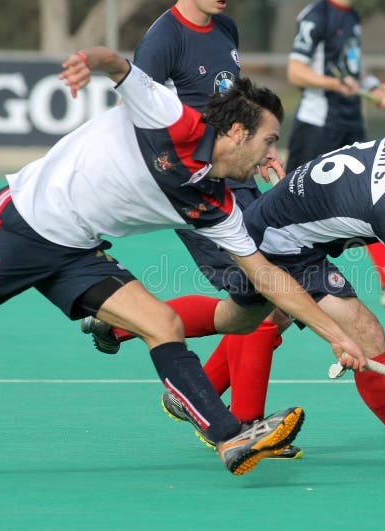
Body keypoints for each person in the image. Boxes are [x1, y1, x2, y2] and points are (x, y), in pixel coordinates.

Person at [0, 46, 369, 476]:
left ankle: (230, 438)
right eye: (268, 141)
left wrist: (337, 337)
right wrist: (87, 61)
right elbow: (118, 65)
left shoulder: (215, 203)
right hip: (23, 222)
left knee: (162, 323)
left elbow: (267, 276)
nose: (272, 155)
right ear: (239, 133)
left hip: (76, 249)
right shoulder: (171, 117)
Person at [89, 116, 385, 481]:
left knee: (241, 319)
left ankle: (127, 328)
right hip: (272, 246)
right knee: (353, 331)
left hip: (289, 234)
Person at [79, 0, 301, 459]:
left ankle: (129, 337)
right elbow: (140, 119)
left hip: (236, 176)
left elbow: (239, 111)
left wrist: (260, 153)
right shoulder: (163, 39)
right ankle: (246, 426)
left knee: (258, 304)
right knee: (263, 299)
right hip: (196, 187)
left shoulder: (226, 28)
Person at [286, 0, 385, 306]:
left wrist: (374, 86)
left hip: (350, 123)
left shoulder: (352, 15)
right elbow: (295, 72)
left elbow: (352, 68)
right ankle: (272, 274)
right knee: (290, 199)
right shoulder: (316, 15)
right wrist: (333, 84)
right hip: (318, 125)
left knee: (370, 197)